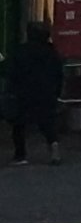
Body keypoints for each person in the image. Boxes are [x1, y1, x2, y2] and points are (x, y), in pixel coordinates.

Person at [6, 29, 65, 166]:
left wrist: (11, 90)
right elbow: (58, 75)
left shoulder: (21, 51)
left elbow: (12, 72)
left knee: (19, 124)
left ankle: (20, 155)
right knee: (47, 123)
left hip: (24, 93)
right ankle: (54, 148)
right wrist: (57, 92)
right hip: (46, 93)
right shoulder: (52, 53)